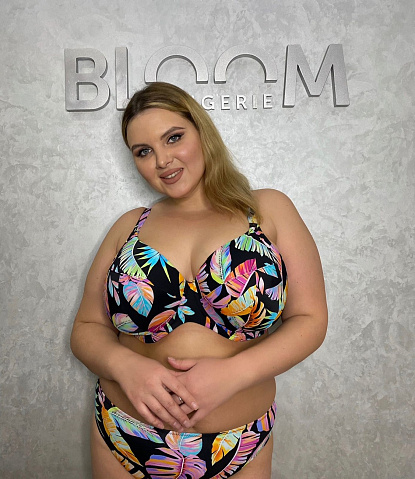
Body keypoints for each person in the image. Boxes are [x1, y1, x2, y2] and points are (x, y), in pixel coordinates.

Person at [71, 81, 328, 479]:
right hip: (124, 433)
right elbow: (86, 328)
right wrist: (125, 366)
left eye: (173, 137)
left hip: (239, 440)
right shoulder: (129, 227)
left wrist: (234, 374)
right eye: (143, 151)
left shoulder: (267, 210)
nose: (162, 160)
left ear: (202, 132)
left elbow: (310, 320)